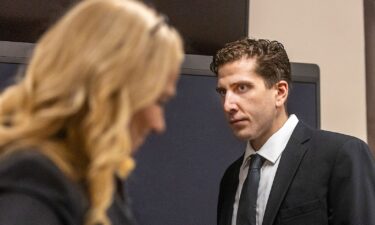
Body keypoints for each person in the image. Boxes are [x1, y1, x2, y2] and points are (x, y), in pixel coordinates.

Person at [0, 0, 184, 225]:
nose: (158, 124)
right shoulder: (35, 180)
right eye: (159, 100)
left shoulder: (89, 180)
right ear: (108, 91)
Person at [210, 38, 375, 225]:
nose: (228, 104)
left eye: (242, 87)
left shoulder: (341, 156)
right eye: (223, 92)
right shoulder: (231, 177)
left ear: (280, 92)